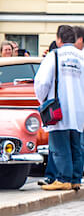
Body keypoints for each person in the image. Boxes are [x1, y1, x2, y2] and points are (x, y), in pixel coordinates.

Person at [35, 25, 84, 191]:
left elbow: (42, 82)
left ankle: (63, 179)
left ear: (59, 39)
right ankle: (76, 178)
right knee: (76, 144)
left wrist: (43, 100)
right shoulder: (81, 56)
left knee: (59, 145)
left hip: (59, 108)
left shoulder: (54, 55)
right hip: (79, 108)